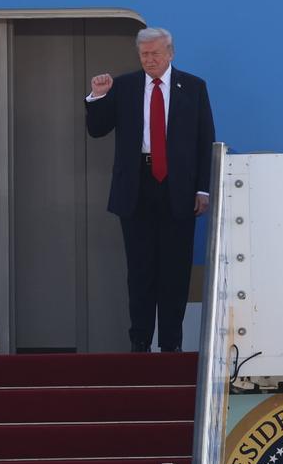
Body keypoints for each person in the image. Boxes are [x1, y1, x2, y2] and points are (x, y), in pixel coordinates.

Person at [85, 27, 215, 352]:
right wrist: (98, 97)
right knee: (140, 271)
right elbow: (97, 129)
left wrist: (203, 189)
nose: (150, 60)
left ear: (170, 53)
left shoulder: (194, 87)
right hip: (137, 187)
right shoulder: (126, 86)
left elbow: (204, 141)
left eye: (156, 54)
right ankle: (140, 343)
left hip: (179, 190)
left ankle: (171, 344)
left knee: (175, 271)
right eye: (144, 55)